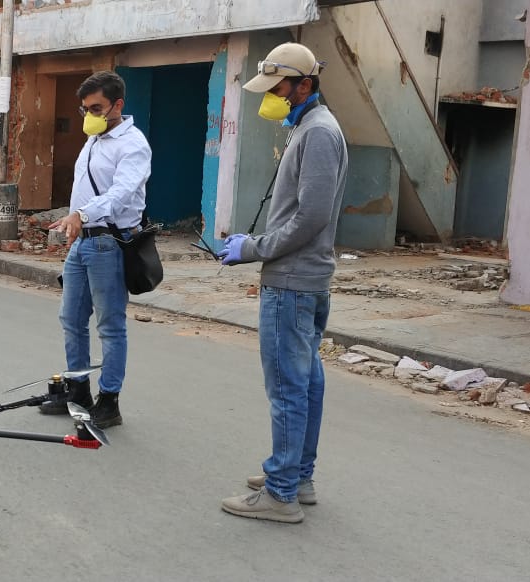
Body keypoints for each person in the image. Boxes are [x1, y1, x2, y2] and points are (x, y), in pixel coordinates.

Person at [217, 42, 348, 524]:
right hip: (305, 279)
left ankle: (280, 493)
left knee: (289, 388)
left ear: (305, 85)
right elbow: (302, 212)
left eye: (278, 87)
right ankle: (298, 477)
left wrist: (254, 248)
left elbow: (311, 217)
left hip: (293, 283)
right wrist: (257, 241)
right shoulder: (311, 128)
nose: (271, 96)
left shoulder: (317, 132)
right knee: (306, 383)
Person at [42, 71, 151, 429]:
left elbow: (120, 194)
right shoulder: (94, 139)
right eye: (84, 108)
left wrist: (82, 215)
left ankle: (109, 400)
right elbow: (84, 189)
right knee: (71, 319)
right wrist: (73, 223)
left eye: (96, 108)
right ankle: (77, 390)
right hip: (83, 241)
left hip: (109, 242)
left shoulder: (132, 144)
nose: (88, 114)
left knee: (110, 325)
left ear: (117, 106)